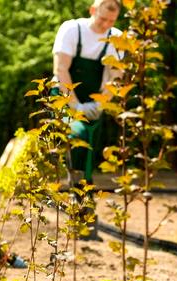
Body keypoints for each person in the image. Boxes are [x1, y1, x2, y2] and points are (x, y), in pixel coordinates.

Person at [52, 0, 122, 241]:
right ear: (93, 11)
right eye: (102, 19)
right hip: (65, 98)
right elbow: (61, 69)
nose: (106, 25)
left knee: (90, 154)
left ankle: (85, 218)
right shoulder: (72, 30)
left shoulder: (116, 38)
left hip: (94, 104)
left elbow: (115, 78)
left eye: (111, 22)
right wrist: (75, 106)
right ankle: (79, 201)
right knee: (78, 136)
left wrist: (99, 104)